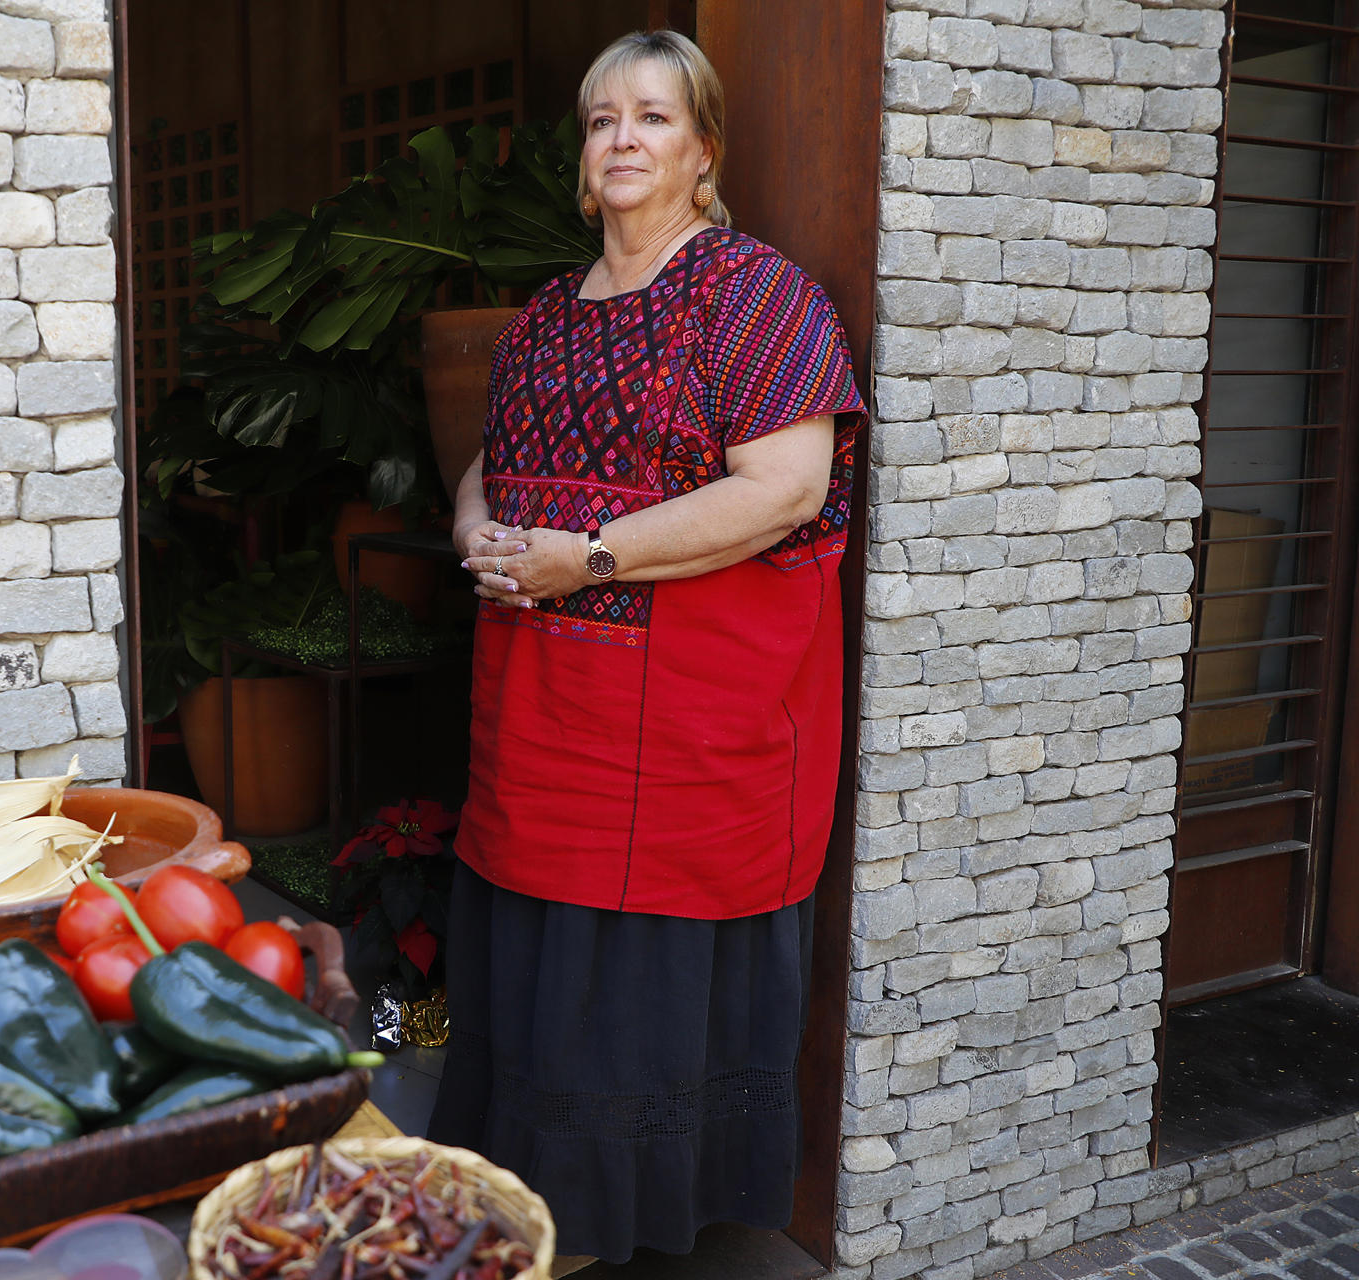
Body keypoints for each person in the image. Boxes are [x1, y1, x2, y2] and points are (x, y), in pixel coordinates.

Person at [425, 29, 868, 1263]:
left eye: (654, 119)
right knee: (540, 967)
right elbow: (490, 457)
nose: (623, 139)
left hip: (687, 729)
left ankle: (606, 1228)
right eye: (603, 118)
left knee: (631, 984)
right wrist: (476, 525)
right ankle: (530, 1208)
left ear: (704, 151)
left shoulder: (755, 296)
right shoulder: (547, 317)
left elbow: (784, 487)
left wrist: (591, 555)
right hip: (543, 713)